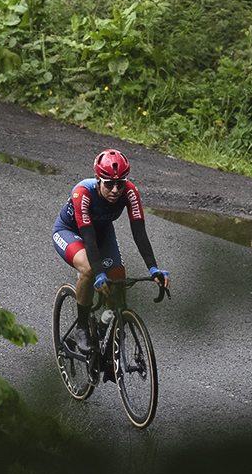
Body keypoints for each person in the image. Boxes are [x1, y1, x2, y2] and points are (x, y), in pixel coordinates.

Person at [51, 149, 169, 352]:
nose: (115, 190)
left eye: (120, 183)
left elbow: (139, 232)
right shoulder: (83, 193)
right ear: (98, 179)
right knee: (88, 270)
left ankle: (107, 327)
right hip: (71, 232)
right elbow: (88, 238)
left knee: (118, 280)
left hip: (103, 234)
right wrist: (98, 273)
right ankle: (81, 326)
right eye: (109, 184)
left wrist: (153, 268)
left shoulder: (130, 192)